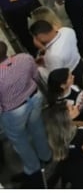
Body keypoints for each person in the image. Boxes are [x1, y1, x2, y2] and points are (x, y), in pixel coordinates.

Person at [0, 41, 53, 186]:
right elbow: (35, 75)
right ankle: (46, 155)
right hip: (34, 98)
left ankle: (33, 168)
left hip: (13, 111)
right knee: (38, 128)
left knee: (20, 140)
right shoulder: (24, 58)